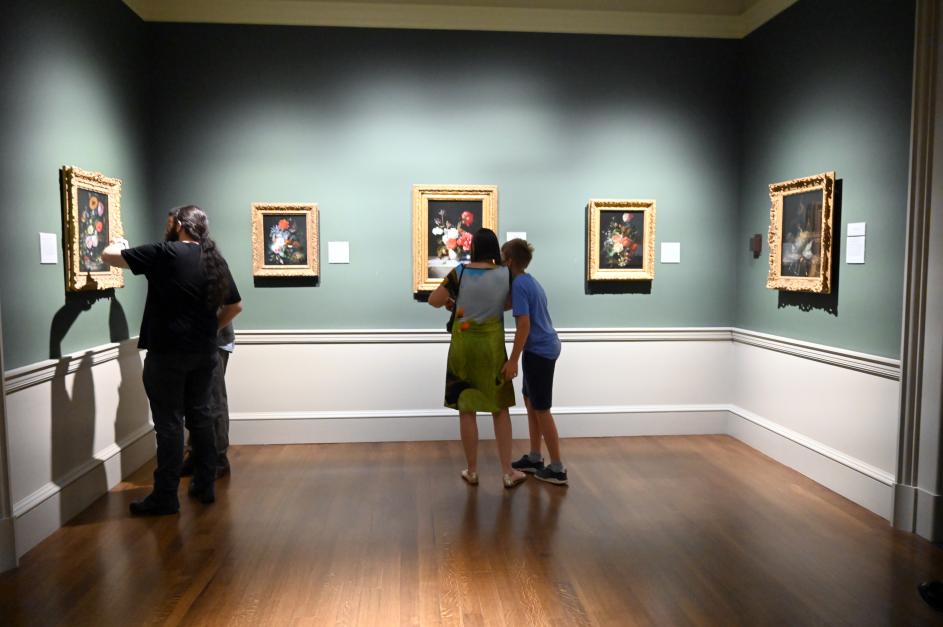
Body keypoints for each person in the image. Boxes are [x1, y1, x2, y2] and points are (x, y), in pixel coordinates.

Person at [102, 205, 243, 515]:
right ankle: (205, 486)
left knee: (169, 425)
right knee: (201, 418)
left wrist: (119, 244)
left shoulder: (164, 252)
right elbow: (235, 306)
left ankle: (166, 496)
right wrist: (209, 330)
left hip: (167, 355)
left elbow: (108, 257)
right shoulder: (214, 259)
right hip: (204, 354)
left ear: (180, 224)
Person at [428, 228, 527, 489]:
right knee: (500, 409)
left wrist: (456, 302)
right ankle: (508, 472)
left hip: (464, 348)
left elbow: (434, 300)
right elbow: (508, 304)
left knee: (467, 408)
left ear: (473, 248)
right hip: (492, 348)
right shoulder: (505, 274)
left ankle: (472, 470)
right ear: (494, 248)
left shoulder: (460, 272)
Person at [500, 239, 567, 485]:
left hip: (540, 351)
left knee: (541, 408)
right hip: (542, 347)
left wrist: (512, 361)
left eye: (501, 258)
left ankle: (557, 468)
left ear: (509, 261)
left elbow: (524, 326)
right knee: (531, 402)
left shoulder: (519, 284)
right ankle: (535, 457)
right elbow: (506, 305)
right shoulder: (528, 281)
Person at [181, 322, 234, 479]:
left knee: (214, 401)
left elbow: (233, 308)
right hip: (193, 343)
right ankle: (196, 454)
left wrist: (209, 331)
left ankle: (219, 458)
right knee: (196, 401)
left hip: (214, 343)